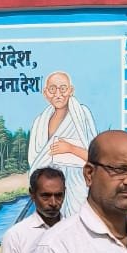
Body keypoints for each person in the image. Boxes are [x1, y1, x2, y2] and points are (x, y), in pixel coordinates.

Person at [27, 71, 97, 216]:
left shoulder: (82, 115)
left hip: (78, 185)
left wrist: (70, 148)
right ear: (45, 93)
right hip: (49, 187)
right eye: (52, 89)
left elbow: (95, 158)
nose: (58, 94)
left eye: (63, 88)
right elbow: (35, 162)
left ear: (71, 90)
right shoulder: (40, 122)